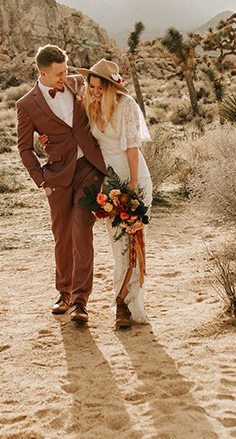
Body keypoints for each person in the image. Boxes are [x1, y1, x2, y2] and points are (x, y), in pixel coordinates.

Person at [16, 45, 106, 325]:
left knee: (81, 232)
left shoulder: (78, 83)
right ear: (42, 73)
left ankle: (81, 300)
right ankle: (63, 292)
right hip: (55, 176)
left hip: (88, 169)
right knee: (62, 236)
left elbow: (103, 97)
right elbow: (24, 148)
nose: (64, 77)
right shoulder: (26, 105)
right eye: (58, 73)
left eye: (66, 70)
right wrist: (40, 179)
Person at [75, 59, 152, 329]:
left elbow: (132, 146)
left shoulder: (127, 106)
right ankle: (123, 303)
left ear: (112, 87)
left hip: (133, 179)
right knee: (118, 245)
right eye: (91, 86)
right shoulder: (89, 106)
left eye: (99, 87)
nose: (94, 92)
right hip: (108, 184)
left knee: (133, 243)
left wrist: (132, 186)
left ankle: (126, 305)